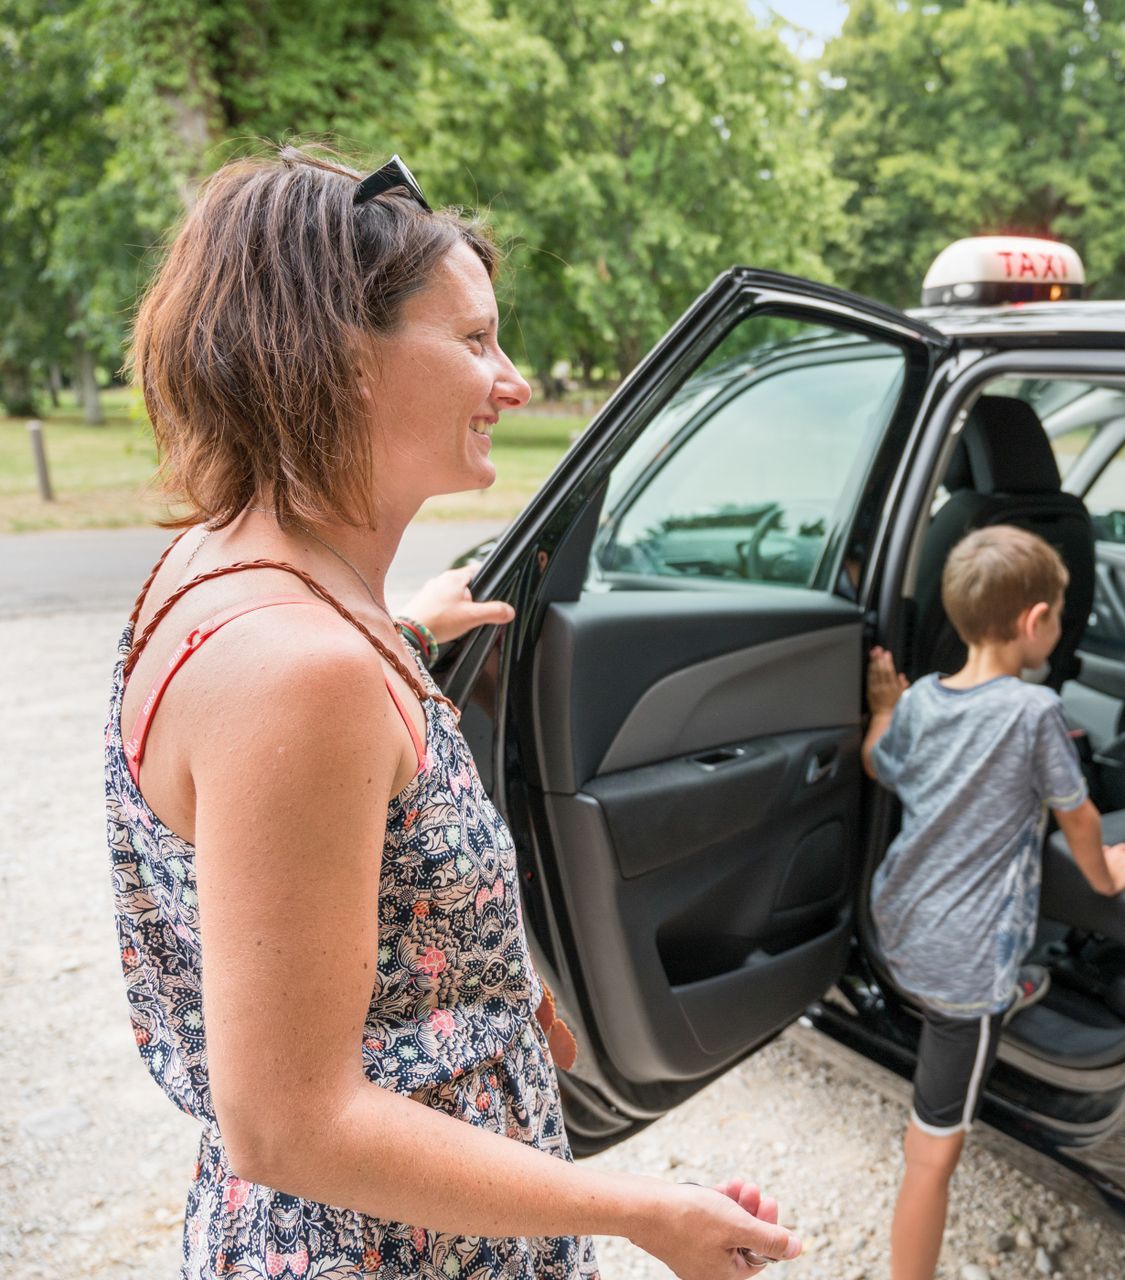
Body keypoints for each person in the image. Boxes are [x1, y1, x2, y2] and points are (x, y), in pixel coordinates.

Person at [108, 146, 799, 1279]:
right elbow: (290, 1125)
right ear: (340, 357)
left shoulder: (225, 567)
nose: (512, 382)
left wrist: (402, 633)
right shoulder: (305, 674)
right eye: (475, 340)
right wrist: (642, 1209)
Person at [862, 524, 1125, 1280]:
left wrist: (884, 707)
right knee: (933, 1150)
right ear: (1035, 621)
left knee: (965, 978)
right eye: (1059, 614)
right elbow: (1078, 815)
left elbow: (878, 763)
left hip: (900, 922)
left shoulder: (922, 700)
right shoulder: (1035, 712)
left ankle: (1011, 987)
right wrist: (1106, 877)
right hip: (966, 968)